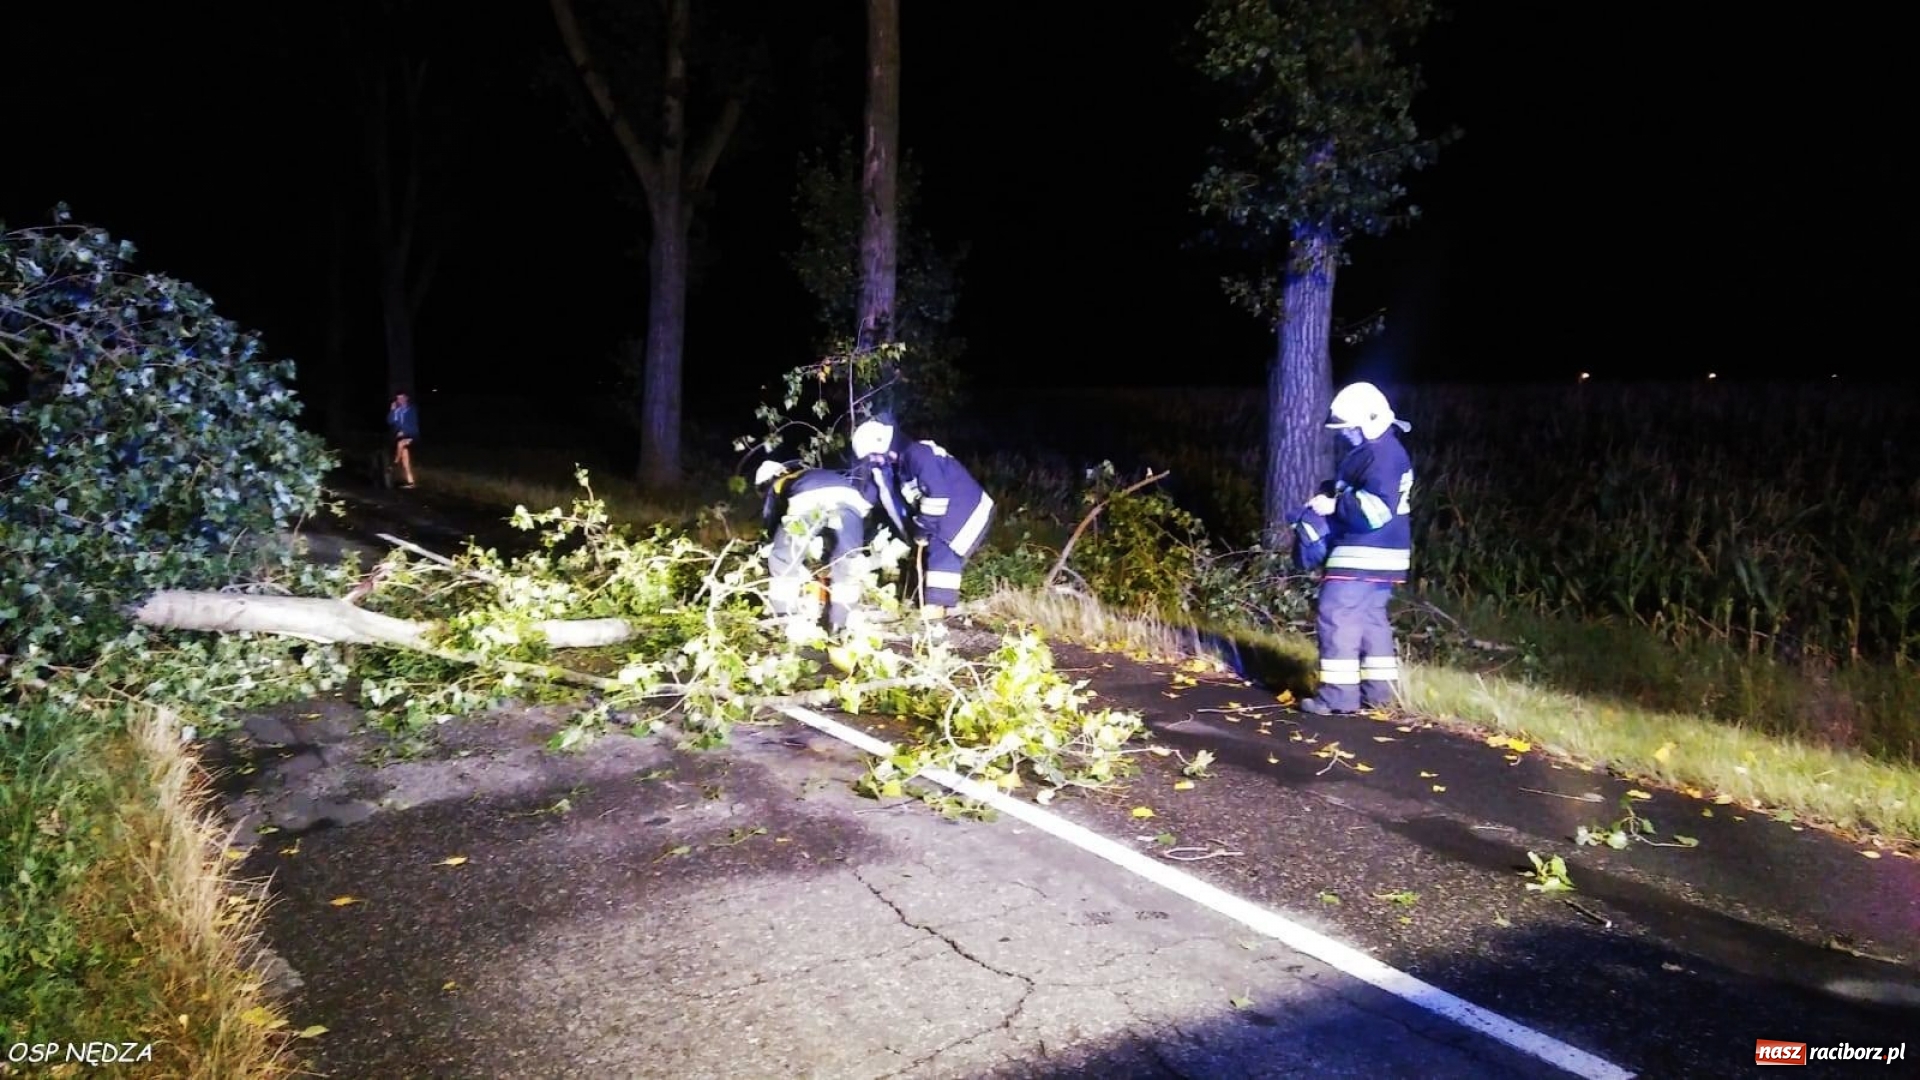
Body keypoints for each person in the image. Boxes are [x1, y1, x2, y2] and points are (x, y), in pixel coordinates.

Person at [1297, 381, 1415, 716]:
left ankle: (1337, 696)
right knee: (1370, 620)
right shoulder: (1386, 451)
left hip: (1361, 555)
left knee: (1337, 617)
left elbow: (1376, 508)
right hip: (1386, 557)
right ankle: (1380, 695)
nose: (1345, 435)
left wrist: (1333, 506)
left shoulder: (1379, 455)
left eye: (1349, 428)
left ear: (1368, 421)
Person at [850, 416, 995, 617]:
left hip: (965, 510)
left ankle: (934, 613)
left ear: (884, 445)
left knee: (940, 550)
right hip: (950, 514)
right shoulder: (897, 468)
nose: (874, 461)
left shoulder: (919, 454)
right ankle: (936, 608)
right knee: (930, 553)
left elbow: (938, 496)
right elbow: (869, 499)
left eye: (874, 456)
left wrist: (922, 527)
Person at [754, 458, 877, 634]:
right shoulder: (815, 474)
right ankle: (840, 623)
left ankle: (784, 618)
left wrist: (770, 545)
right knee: (848, 561)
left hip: (808, 499)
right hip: (851, 501)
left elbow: (771, 522)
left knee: (783, 560)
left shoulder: (777, 484)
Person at [387, 391, 420, 489]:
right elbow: (390, 421)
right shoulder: (397, 411)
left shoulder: (412, 409)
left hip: (412, 435)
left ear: (406, 398)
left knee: (401, 444)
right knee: (405, 459)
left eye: (402, 398)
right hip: (401, 437)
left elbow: (414, 424)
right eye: (398, 399)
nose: (399, 400)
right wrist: (392, 410)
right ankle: (411, 482)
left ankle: (395, 463)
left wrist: (404, 431)